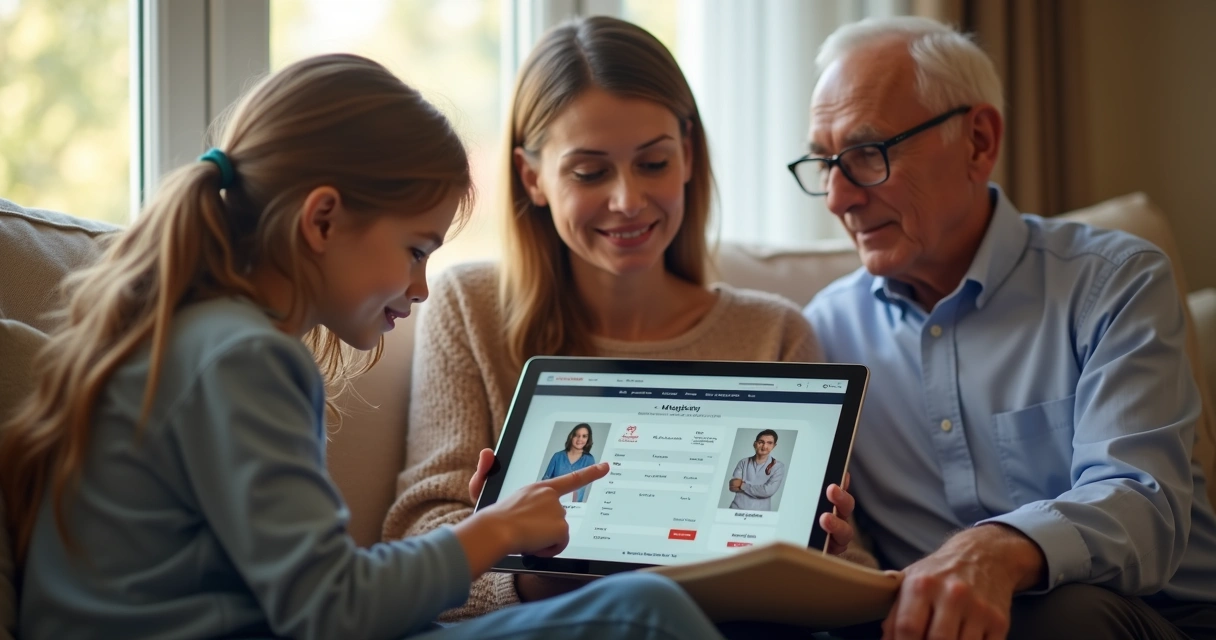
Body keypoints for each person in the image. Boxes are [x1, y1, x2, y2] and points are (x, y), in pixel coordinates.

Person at [0, 53, 728, 640]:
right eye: (415, 249)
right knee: (642, 613)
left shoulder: (189, 335)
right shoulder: (246, 357)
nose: (420, 288)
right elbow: (333, 612)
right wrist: (492, 530)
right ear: (322, 220)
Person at [384, 15, 865, 619]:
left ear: (688, 156)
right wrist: (530, 576)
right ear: (533, 177)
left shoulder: (776, 331)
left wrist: (830, 554)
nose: (628, 200)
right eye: (589, 172)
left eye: (654, 163)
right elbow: (416, 537)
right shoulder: (469, 306)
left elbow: (856, 570)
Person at [795, 16, 1216, 640]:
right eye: (825, 162)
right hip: (929, 625)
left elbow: (1142, 503)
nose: (837, 198)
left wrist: (998, 549)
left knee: (1061, 616)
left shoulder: (1114, 281)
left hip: (1146, 612)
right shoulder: (825, 331)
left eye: (866, 154)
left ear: (978, 141)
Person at [728, 429, 786, 511]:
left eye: (769, 443)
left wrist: (743, 485)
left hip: (760, 513)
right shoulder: (743, 462)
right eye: (761, 442)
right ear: (755, 444)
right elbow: (733, 486)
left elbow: (767, 491)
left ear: (774, 446)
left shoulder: (778, 466)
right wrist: (758, 489)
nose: (764, 446)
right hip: (736, 509)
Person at [542, 424, 597, 502]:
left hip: (574, 507)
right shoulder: (558, 456)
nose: (580, 439)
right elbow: (545, 480)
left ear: (588, 439)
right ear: (571, 436)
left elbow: (590, 487)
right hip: (554, 502)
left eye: (584, 436)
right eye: (577, 435)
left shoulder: (589, 460)